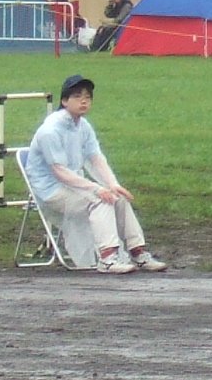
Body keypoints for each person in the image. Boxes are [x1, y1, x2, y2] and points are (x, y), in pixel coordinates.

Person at [26, 73, 166, 275]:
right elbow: (59, 171)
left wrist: (112, 183)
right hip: (50, 191)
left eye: (87, 97)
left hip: (73, 186)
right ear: (64, 101)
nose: (83, 101)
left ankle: (138, 252)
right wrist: (96, 188)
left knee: (117, 197)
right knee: (100, 200)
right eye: (77, 96)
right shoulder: (51, 130)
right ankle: (108, 258)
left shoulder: (82, 126)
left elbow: (96, 158)